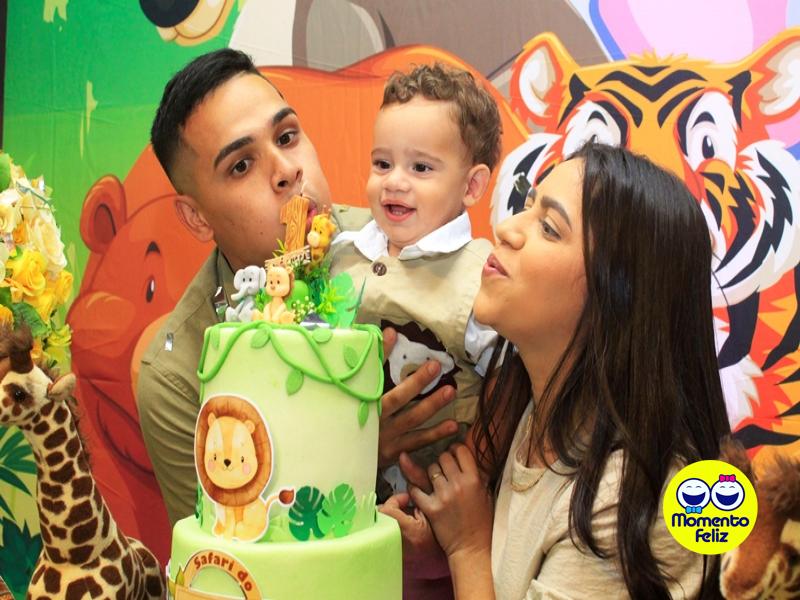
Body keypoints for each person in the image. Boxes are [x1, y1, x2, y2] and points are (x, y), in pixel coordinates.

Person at [382, 143, 732, 599]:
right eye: (528, 207)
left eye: (548, 227)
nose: (506, 229)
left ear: (618, 295)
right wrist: (441, 550)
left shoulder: (633, 498)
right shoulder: (527, 409)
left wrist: (466, 547)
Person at [137, 48, 460, 526]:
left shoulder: (408, 244)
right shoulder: (179, 374)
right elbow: (226, 551)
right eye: (241, 166)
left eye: (287, 137)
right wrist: (355, 451)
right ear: (197, 217)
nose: (287, 170)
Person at [332, 63, 501, 498]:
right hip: (342, 490)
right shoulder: (341, 252)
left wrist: (477, 470)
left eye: (421, 167)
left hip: (437, 499)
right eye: (382, 163)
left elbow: (513, 385)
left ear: (472, 186)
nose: (394, 181)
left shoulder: (480, 275)